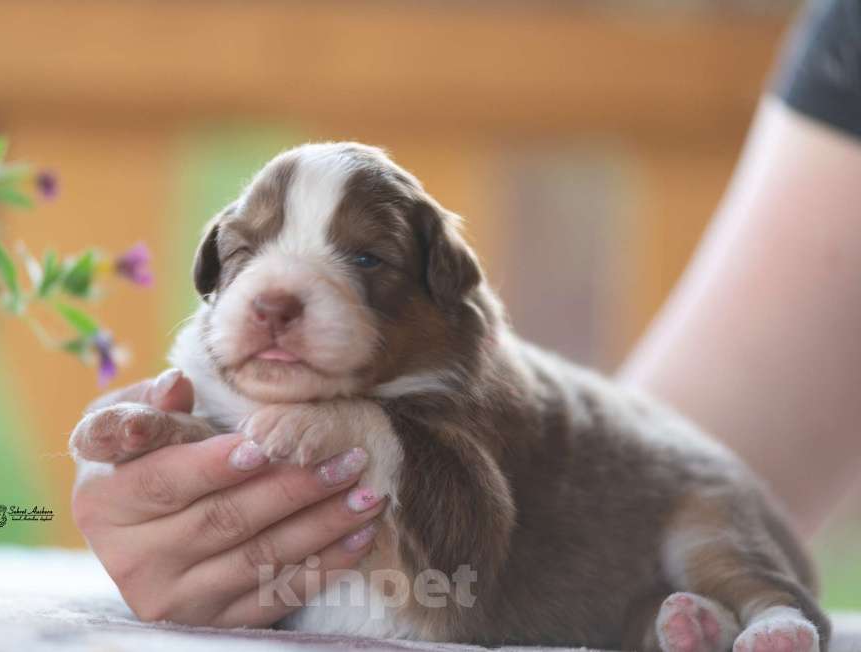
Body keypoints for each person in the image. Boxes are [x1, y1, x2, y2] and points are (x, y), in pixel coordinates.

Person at [70, 0, 861, 627]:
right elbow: (675, 462)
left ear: (443, 292)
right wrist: (159, 478)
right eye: (244, 255)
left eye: (367, 260)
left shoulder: (442, 370)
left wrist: (380, 442)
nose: (274, 296)